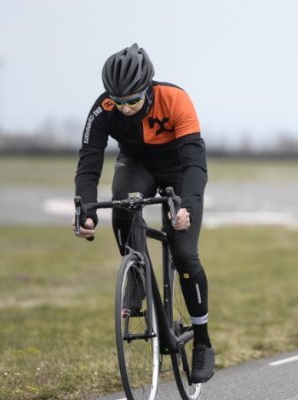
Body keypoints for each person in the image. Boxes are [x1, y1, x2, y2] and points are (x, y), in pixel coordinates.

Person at [71, 43, 214, 383]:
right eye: (119, 102)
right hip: (137, 165)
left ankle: (204, 342)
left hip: (179, 169)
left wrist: (188, 208)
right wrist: (85, 209)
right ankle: (135, 275)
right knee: (122, 201)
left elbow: (196, 163)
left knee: (184, 253)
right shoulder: (104, 108)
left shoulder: (176, 99)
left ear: (148, 89)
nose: (126, 109)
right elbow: (89, 161)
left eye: (133, 101)